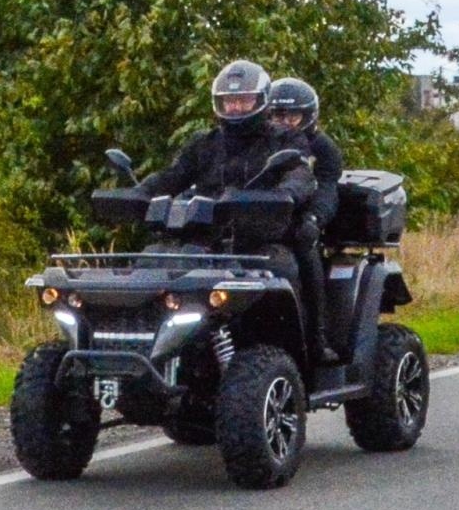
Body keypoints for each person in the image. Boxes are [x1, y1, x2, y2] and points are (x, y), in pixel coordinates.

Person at [137, 61, 318, 353]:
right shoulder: (205, 143)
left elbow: (301, 173)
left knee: (282, 268)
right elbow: (173, 176)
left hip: (262, 241)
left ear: (261, 101)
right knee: (151, 260)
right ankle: (145, 347)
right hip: (204, 243)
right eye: (229, 101)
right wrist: (140, 192)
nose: (235, 108)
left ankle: (300, 349)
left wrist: (286, 193)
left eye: (243, 100)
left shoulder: (284, 139)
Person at [268, 77, 344, 363]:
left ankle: (315, 339)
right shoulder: (263, 144)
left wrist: (315, 218)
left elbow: (327, 189)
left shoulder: (323, 149)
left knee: (306, 252)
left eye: (292, 115)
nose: (283, 122)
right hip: (264, 222)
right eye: (276, 115)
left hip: (303, 222)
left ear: (308, 117)